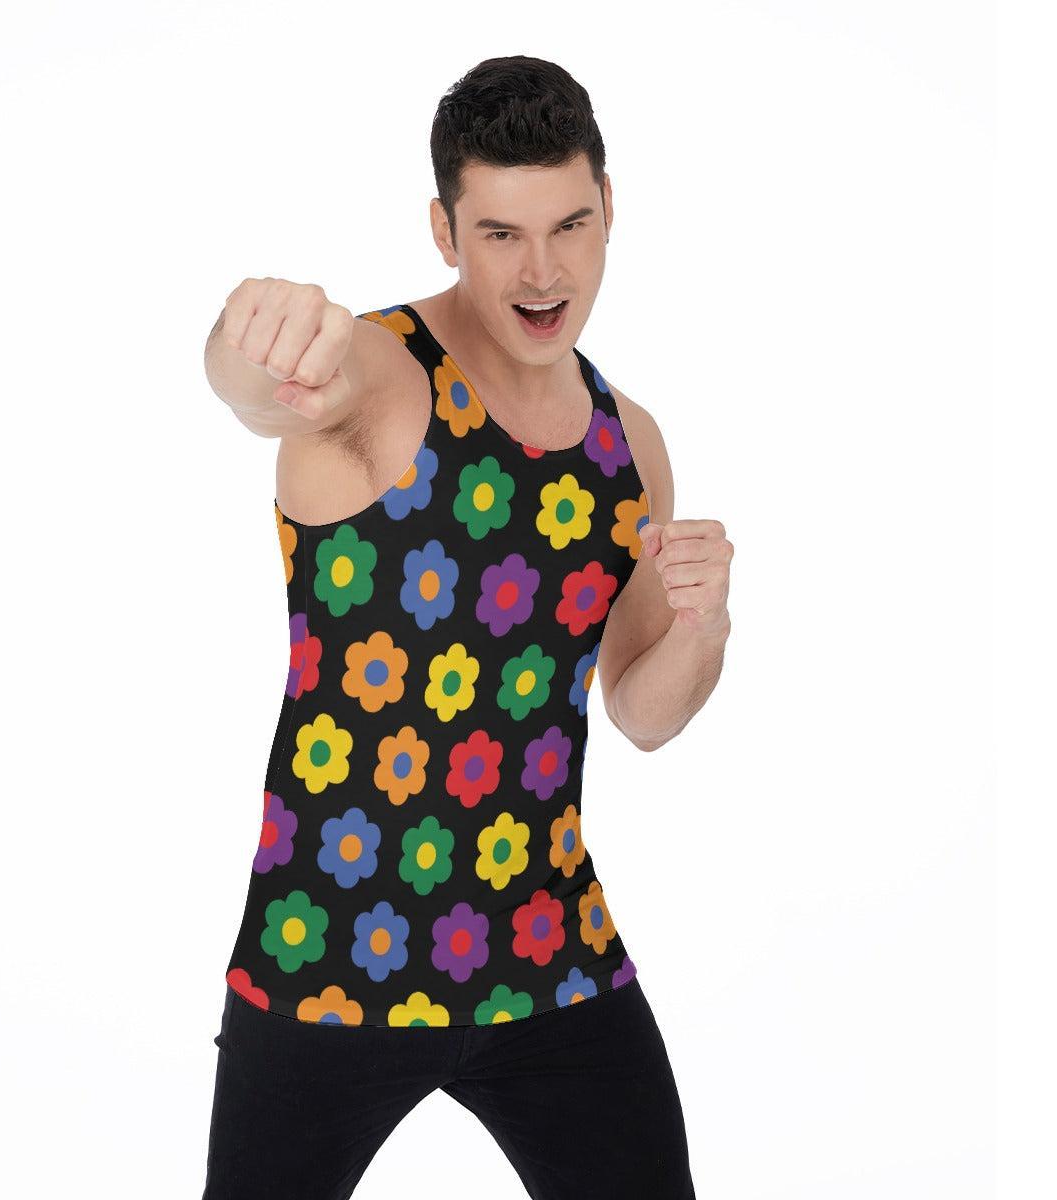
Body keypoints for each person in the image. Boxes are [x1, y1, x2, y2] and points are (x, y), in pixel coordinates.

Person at [199, 54, 732, 1200]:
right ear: (444, 230)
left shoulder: (628, 441)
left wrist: (702, 627)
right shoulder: (382, 373)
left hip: (549, 953)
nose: (543, 272)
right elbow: (265, 391)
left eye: (569, 225)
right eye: (500, 234)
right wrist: (250, 348)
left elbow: (642, 712)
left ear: (608, 210)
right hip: (331, 953)